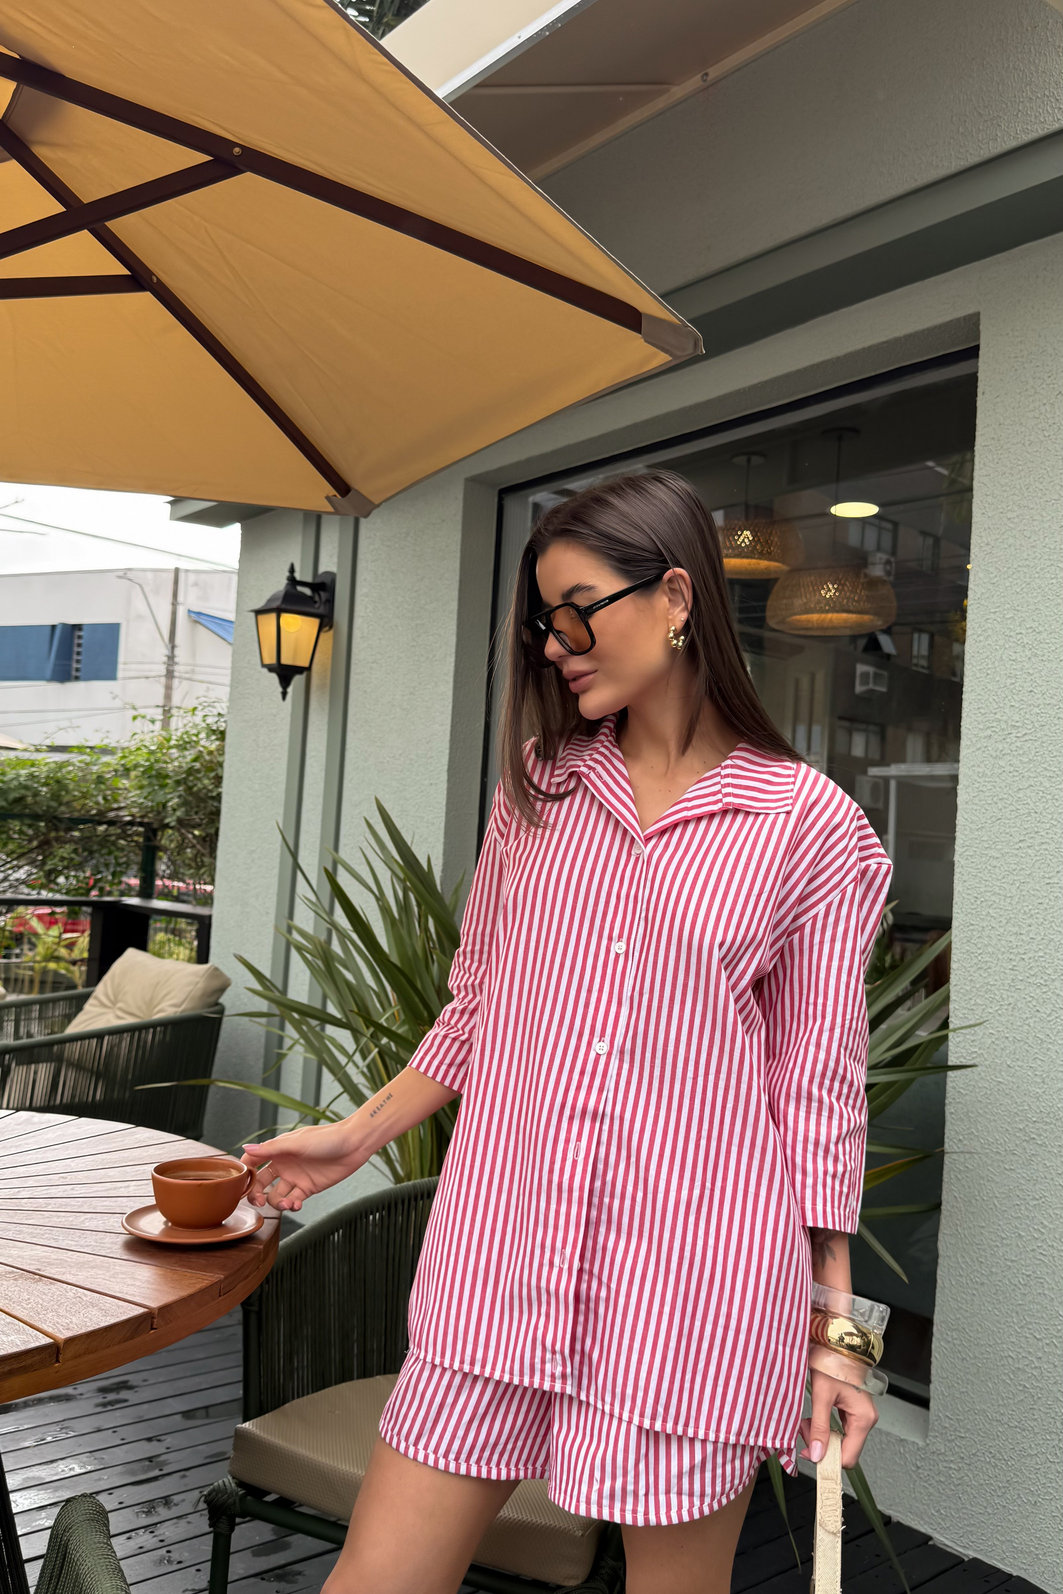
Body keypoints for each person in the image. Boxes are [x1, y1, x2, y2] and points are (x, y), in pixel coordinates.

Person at [241, 469, 895, 1594]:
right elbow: (480, 1003)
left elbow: (819, 1099)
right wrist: (351, 1137)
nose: (555, 643)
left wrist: (841, 1338)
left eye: (577, 609)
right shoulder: (536, 792)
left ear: (676, 596)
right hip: (496, 1263)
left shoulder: (815, 831)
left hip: (694, 1295)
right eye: (544, 622)